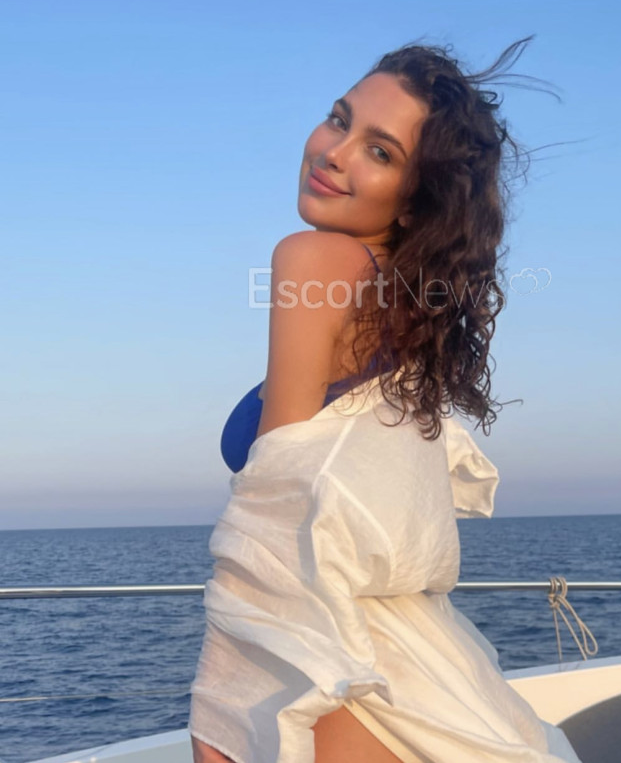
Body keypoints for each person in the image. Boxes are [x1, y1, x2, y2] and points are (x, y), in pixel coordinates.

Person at [188, 37, 583, 763]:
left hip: (339, 655)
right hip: (416, 655)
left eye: (379, 151)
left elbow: (279, 500)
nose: (333, 152)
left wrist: (223, 709)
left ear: (414, 198)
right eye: (339, 120)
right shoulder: (405, 306)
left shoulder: (314, 259)